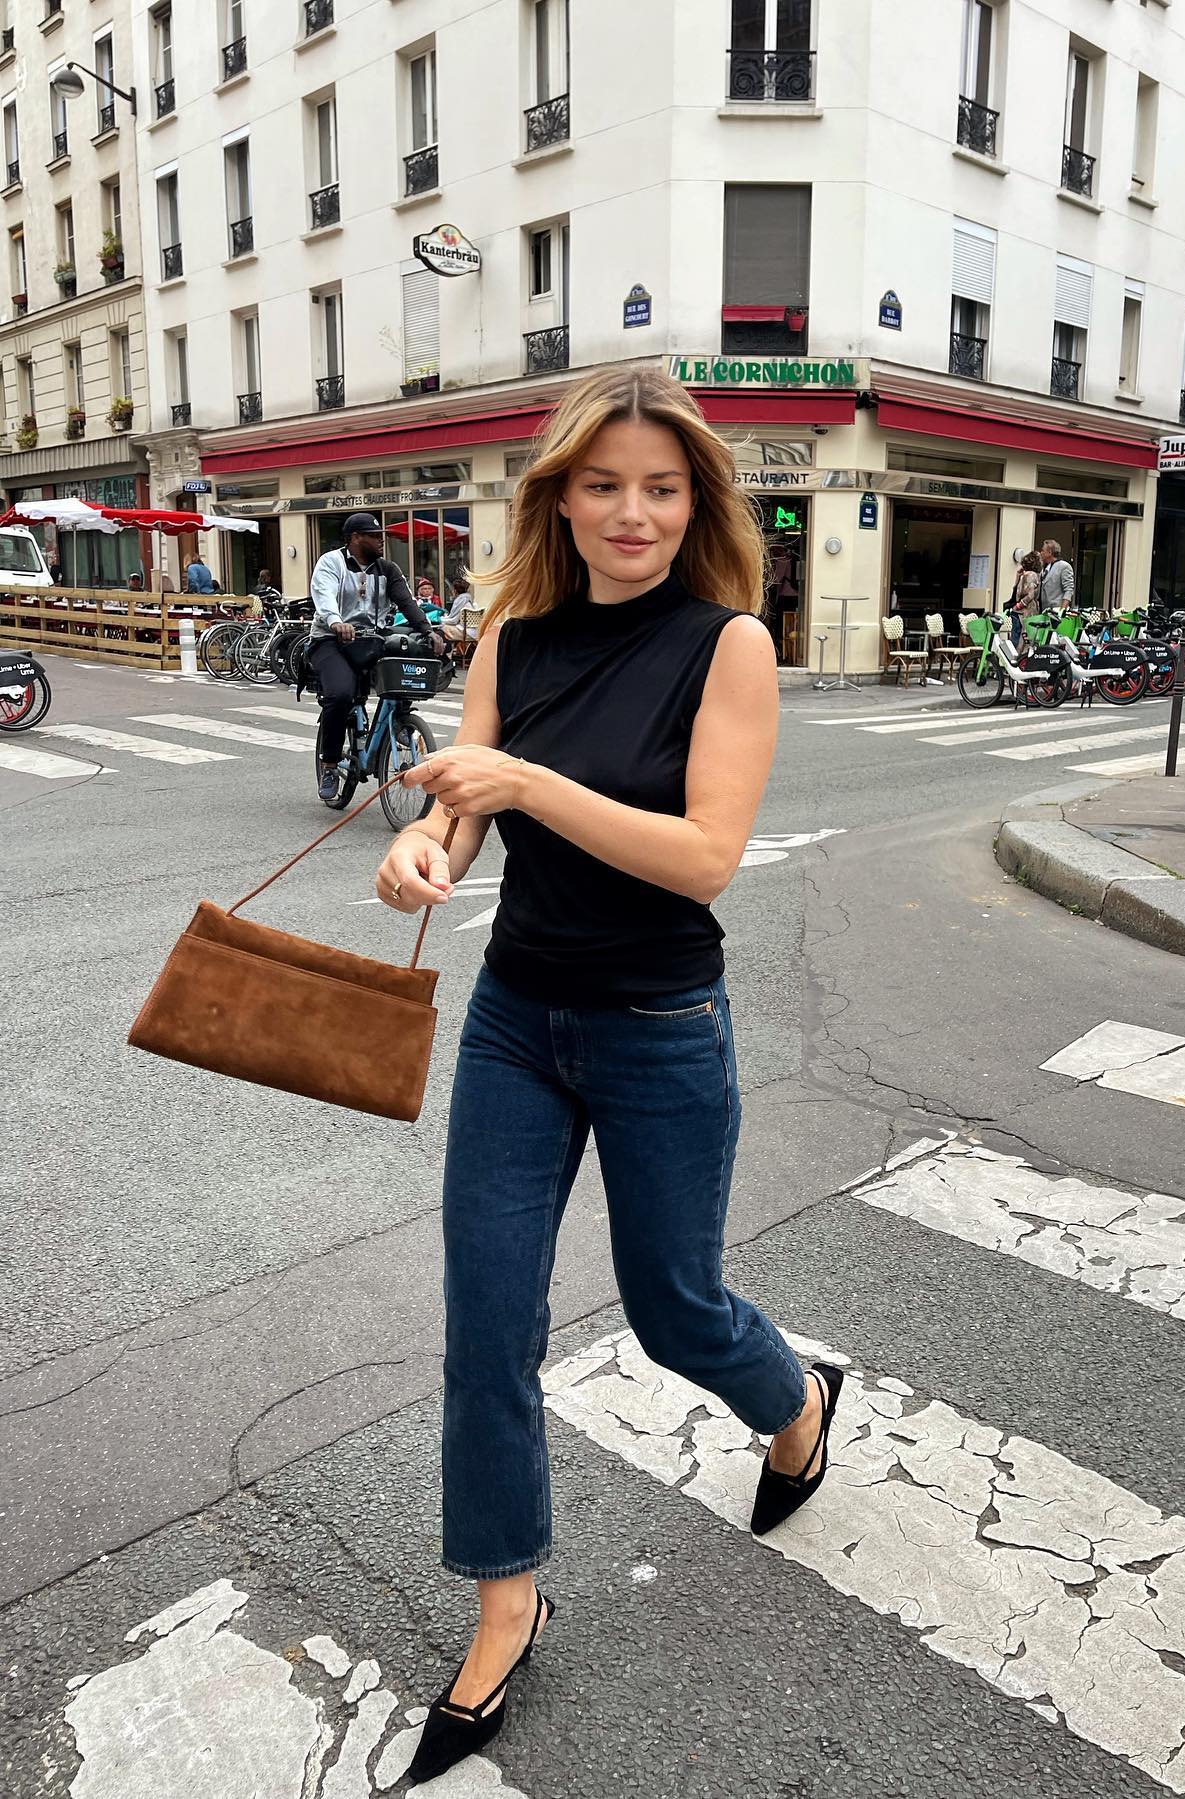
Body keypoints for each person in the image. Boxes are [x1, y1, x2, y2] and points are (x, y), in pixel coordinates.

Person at [375, 367, 842, 1787]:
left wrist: (521, 790)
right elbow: (461, 820)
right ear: (558, 495)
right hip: (519, 1016)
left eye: (660, 485)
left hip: (657, 1022)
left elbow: (703, 856)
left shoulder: (731, 644)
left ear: (694, 499)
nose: (631, 511)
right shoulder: (514, 633)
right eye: (602, 483)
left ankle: (798, 1404)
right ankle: (506, 1600)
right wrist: (425, 857)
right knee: (486, 1316)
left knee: (675, 1306)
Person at [309, 513, 445, 801]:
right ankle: (331, 765)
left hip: (371, 640)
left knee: (406, 663)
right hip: (332, 640)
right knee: (341, 695)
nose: (381, 539)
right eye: (373, 535)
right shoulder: (331, 563)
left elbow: (406, 602)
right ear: (355, 538)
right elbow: (324, 597)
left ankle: (399, 723)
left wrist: (428, 631)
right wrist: (336, 622)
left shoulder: (387, 569)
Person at [1007, 550, 1043, 649]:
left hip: (1021, 612)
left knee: (1017, 638)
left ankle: (1014, 659)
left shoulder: (1029, 575)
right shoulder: (1036, 576)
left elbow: (1029, 595)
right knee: (1025, 638)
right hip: (1029, 612)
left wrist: (1019, 605)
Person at [1038, 538, 1075, 611]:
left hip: (1056, 610)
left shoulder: (1064, 566)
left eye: (1043, 550)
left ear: (1050, 552)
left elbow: (1069, 590)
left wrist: (1062, 610)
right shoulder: (1044, 568)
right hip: (1044, 611)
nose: (1040, 553)